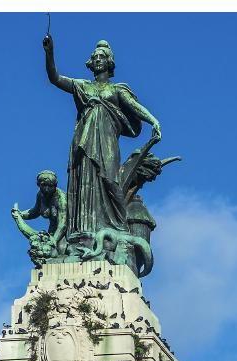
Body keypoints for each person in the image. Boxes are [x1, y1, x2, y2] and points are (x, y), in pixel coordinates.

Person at [44, 35, 162, 245]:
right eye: (95, 57)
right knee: (85, 182)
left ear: (109, 62)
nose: (98, 59)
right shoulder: (82, 86)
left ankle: (118, 227)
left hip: (107, 142)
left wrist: (153, 120)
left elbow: (134, 107)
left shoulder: (116, 89)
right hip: (84, 141)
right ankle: (84, 232)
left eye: (102, 56)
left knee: (110, 180)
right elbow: (55, 78)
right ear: (91, 62)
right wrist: (49, 52)